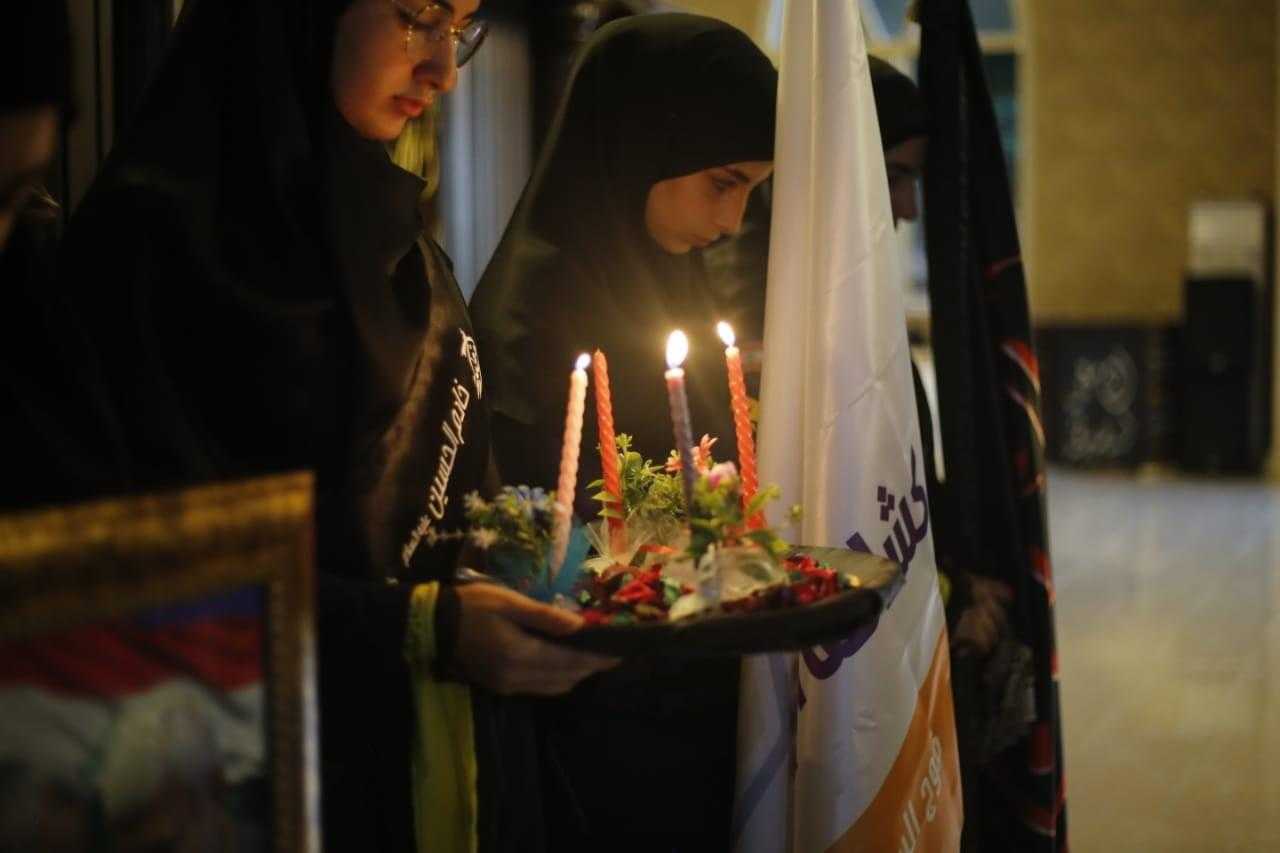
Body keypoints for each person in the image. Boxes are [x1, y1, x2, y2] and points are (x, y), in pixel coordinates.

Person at [55, 2, 613, 851]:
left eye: (460, 27)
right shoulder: (150, 246)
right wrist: (425, 628)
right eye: (418, 15)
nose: (444, 70)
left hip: (439, 769)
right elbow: (141, 572)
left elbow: (464, 491)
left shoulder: (398, 240)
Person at [469, 14, 776, 849]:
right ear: (646, 140)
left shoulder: (672, 275)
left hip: (695, 701)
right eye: (725, 182)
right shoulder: (537, 309)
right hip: (593, 731)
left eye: (752, 190)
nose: (736, 219)